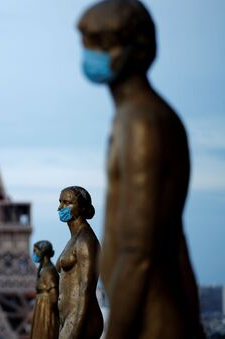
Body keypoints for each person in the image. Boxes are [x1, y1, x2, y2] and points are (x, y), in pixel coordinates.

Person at [77, 1, 205, 338]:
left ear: (131, 50)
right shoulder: (137, 118)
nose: (88, 53)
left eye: (98, 43)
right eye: (86, 42)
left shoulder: (140, 124)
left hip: (149, 316)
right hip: (153, 308)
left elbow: (139, 250)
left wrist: (117, 332)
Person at [56, 186, 103, 339]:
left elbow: (86, 289)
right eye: (60, 202)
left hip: (80, 319)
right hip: (69, 317)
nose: (60, 207)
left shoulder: (85, 240)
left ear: (82, 208)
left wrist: (76, 329)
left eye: (67, 203)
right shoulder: (74, 239)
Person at [31, 240, 60, 339]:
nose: (34, 254)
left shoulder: (48, 271)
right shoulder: (44, 269)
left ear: (42, 252)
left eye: (35, 251)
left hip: (46, 309)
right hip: (43, 307)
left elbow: (54, 294)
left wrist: (51, 312)